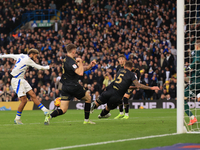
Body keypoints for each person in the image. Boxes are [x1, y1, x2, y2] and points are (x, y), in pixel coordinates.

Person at [44, 44, 96, 125]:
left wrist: (89, 66)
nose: (76, 53)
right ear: (73, 51)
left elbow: (79, 69)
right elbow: (80, 72)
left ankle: (49, 116)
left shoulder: (66, 60)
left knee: (63, 109)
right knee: (88, 98)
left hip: (65, 87)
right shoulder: (71, 61)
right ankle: (86, 120)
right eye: (76, 51)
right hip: (73, 86)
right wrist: (81, 61)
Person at [91, 61, 159, 119]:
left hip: (109, 91)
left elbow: (124, 85)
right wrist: (151, 88)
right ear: (132, 68)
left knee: (97, 103)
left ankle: (93, 106)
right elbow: (138, 85)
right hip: (116, 96)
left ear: (124, 67)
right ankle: (102, 115)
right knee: (108, 107)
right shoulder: (132, 74)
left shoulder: (120, 71)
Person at [0, 48, 50, 124]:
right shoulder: (28, 60)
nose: (36, 58)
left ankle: (45, 111)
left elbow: (11, 55)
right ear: (32, 54)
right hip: (16, 80)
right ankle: (17, 119)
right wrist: (48, 67)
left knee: (33, 95)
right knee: (24, 100)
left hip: (21, 79)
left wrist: (1, 56)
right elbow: (39, 67)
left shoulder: (21, 55)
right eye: (36, 56)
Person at [184, 40, 200, 125]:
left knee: (182, 97)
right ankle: (198, 95)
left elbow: (196, 61)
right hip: (196, 82)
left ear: (197, 47)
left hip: (197, 82)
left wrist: (188, 68)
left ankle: (192, 118)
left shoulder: (198, 53)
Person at [114, 54, 133, 119]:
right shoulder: (118, 68)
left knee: (125, 97)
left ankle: (127, 114)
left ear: (125, 60)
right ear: (118, 60)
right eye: (120, 59)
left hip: (129, 85)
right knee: (118, 98)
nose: (121, 60)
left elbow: (135, 73)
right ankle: (121, 113)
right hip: (122, 85)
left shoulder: (128, 66)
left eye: (122, 59)